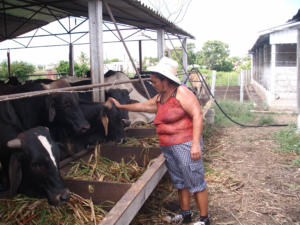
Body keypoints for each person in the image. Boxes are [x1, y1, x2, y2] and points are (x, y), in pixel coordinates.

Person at [108, 57, 210, 225]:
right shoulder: (161, 97)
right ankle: (185, 214)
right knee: (180, 182)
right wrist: (121, 107)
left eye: (155, 81)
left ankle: (204, 219)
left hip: (186, 145)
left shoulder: (182, 93)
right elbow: (144, 106)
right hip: (169, 147)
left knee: (195, 181)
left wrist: (196, 144)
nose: (152, 84)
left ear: (165, 81)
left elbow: (197, 115)